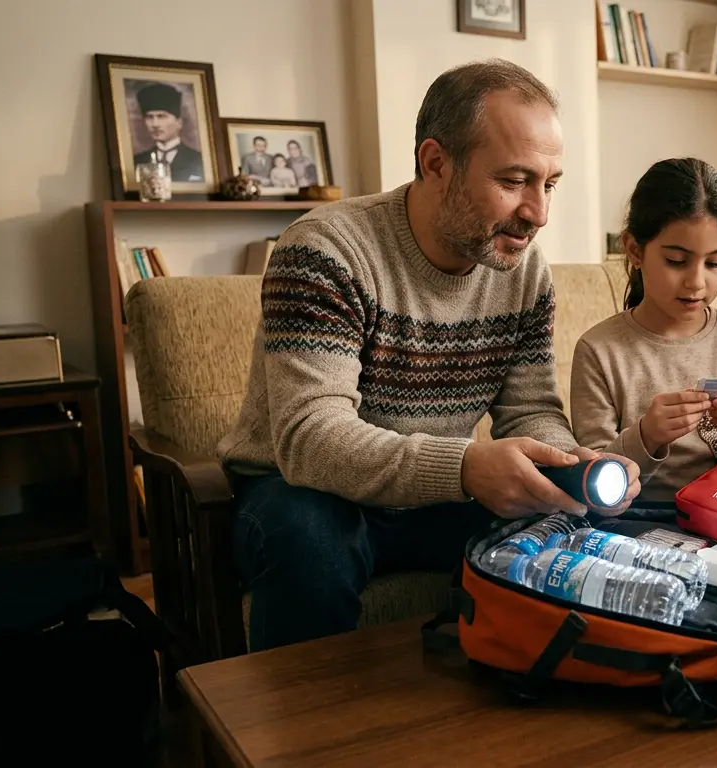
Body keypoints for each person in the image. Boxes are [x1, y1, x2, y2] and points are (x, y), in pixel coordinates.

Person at [216, 59, 640, 652]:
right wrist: (466, 467)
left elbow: (529, 412)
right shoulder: (325, 250)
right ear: (436, 163)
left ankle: (516, 694)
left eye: (549, 185)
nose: (538, 213)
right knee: (308, 535)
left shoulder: (523, 273)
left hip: (435, 493)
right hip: (304, 489)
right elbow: (311, 437)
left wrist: (568, 466)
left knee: (566, 527)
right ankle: (305, 714)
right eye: (514, 181)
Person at [568, 158, 717, 501]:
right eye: (677, 261)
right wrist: (647, 436)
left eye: (715, 262)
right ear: (635, 250)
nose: (696, 282)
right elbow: (591, 476)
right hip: (637, 517)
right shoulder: (599, 350)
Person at [132, 82, 205, 182]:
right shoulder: (137, 161)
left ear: (179, 122)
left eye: (161, 116)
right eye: (149, 117)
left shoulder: (199, 160)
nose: (155, 124)